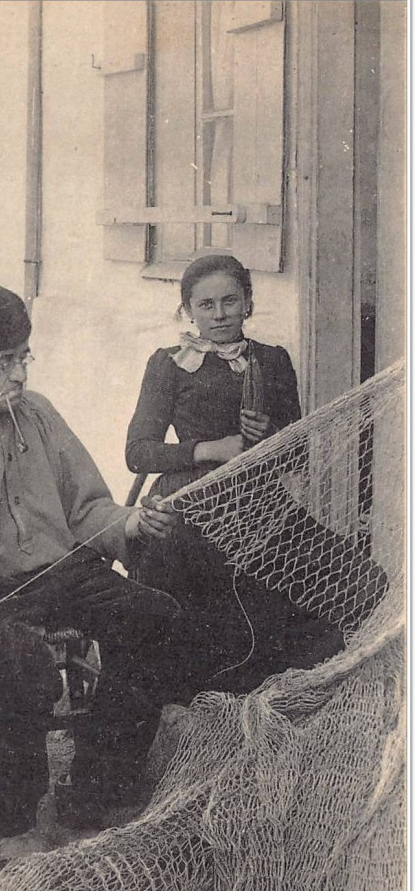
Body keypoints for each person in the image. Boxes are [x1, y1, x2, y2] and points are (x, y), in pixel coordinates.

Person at [0, 285, 188, 864]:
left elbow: (87, 507)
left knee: (156, 619)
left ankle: (97, 786)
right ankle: (13, 818)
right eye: (4, 362)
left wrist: (132, 522)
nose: (20, 374)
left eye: (25, 356)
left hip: (57, 570)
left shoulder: (37, 414)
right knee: (26, 668)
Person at [126, 253, 342, 694]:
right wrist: (211, 449)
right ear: (188, 310)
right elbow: (138, 452)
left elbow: (297, 456)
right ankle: (203, 698)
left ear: (248, 302)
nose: (220, 314)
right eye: (206, 305)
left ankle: (278, 691)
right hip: (191, 500)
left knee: (345, 575)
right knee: (208, 599)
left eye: (230, 301)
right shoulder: (169, 364)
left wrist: (269, 437)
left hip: (258, 499)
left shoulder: (272, 360)